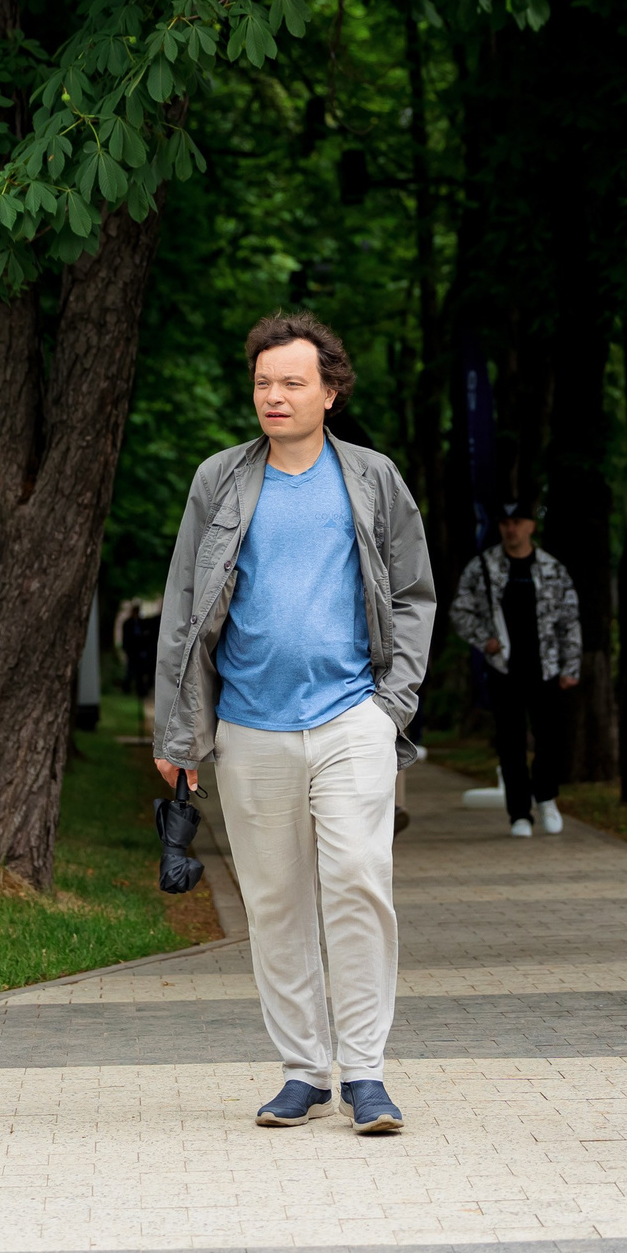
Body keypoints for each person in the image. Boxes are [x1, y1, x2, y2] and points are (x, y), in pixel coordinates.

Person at [154, 312, 436, 1136]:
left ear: (330, 391)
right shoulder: (220, 480)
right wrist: (181, 735)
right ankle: (304, 1070)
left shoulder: (374, 478)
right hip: (248, 727)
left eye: (291, 382)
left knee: (357, 883)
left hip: (352, 719)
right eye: (262, 382)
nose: (273, 396)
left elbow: (415, 594)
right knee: (274, 901)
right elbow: (183, 605)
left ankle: (368, 1073)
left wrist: (392, 707)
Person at [448, 499, 581, 836]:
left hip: (546, 667)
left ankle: (546, 797)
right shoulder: (484, 567)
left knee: (550, 739)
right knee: (510, 741)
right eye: (506, 522)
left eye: (518, 522)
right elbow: (460, 610)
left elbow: (569, 619)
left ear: (531, 526)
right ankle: (519, 813)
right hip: (504, 668)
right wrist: (485, 639)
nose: (512, 528)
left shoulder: (552, 569)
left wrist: (571, 666)